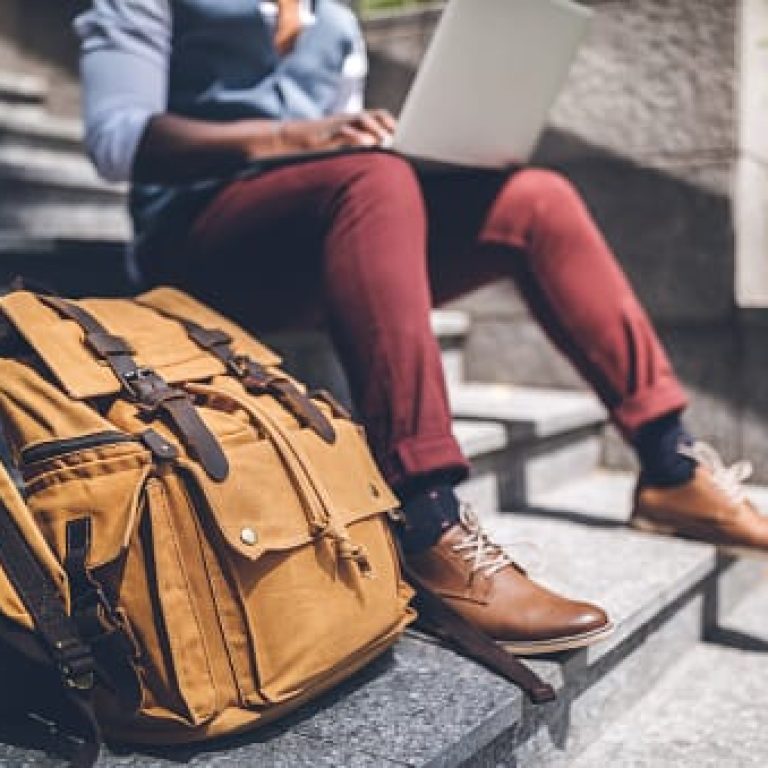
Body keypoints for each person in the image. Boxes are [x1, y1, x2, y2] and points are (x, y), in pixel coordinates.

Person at [74, 0, 768, 655]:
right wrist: (295, 137)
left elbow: (341, 154)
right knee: (371, 179)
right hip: (199, 240)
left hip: (320, 229)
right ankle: (428, 519)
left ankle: (670, 464)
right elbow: (117, 138)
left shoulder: (334, 16)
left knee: (536, 198)